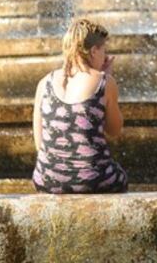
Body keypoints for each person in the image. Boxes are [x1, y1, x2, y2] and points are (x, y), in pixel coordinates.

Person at [32, 18, 127, 193]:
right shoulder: (104, 82)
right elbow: (114, 131)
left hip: (46, 179)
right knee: (120, 176)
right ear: (93, 51)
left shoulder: (44, 82)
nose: (105, 56)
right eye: (103, 50)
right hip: (92, 179)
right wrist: (107, 77)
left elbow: (40, 144)